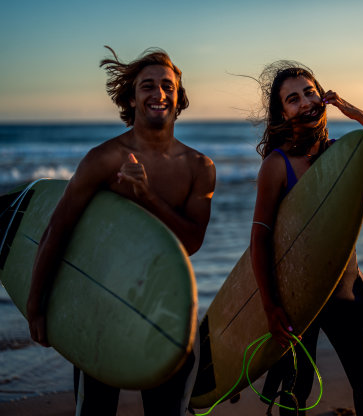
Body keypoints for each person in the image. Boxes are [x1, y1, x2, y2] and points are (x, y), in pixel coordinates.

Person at [26, 46, 216, 416]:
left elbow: (191, 243)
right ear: (132, 97)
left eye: (167, 86)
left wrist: (146, 196)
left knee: (168, 410)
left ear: (179, 97)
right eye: (147, 86)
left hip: (168, 303)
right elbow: (57, 229)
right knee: (95, 409)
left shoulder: (198, 167)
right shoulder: (104, 158)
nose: (158, 94)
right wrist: (36, 306)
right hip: (102, 302)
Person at [249, 61, 363, 416]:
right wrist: (269, 306)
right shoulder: (277, 165)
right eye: (293, 99)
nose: (306, 102)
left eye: (310, 92)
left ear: (323, 97)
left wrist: (354, 113)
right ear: (282, 113)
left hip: (346, 286)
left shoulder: (342, 154)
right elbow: (260, 239)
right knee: (295, 392)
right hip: (297, 293)